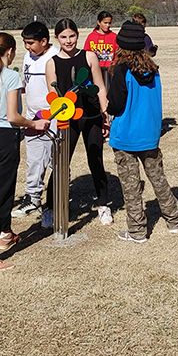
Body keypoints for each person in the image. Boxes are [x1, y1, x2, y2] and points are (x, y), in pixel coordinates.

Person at [0, 33, 49, 272]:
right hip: (6, 138)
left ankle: (5, 233)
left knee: (4, 187)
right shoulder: (12, 76)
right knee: (0, 194)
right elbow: (13, 116)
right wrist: (34, 124)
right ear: (11, 51)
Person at [107, 20, 178, 242]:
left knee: (131, 185)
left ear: (120, 44)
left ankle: (137, 230)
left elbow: (115, 104)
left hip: (125, 136)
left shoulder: (120, 70)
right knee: (158, 178)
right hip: (149, 135)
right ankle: (175, 219)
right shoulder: (154, 70)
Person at [44, 19, 112, 228]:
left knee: (96, 160)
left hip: (91, 117)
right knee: (61, 163)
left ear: (77, 35)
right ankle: (51, 207)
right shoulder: (52, 63)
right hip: (67, 120)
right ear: (57, 38)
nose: (68, 40)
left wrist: (105, 113)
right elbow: (53, 96)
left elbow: (100, 86)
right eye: (63, 37)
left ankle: (103, 204)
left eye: (71, 36)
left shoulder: (89, 56)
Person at [12, 21, 58, 218]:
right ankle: (32, 198)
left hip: (53, 117)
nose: (27, 47)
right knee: (33, 161)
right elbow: (27, 82)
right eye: (25, 42)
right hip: (32, 116)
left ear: (44, 41)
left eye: (31, 43)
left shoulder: (55, 56)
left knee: (55, 160)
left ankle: (56, 202)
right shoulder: (28, 57)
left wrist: (52, 115)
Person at [84, 11, 118, 88]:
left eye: (109, 23)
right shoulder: (91, 36)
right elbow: (86, 53)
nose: (108, 25)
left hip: (109, 71)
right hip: (95, 70)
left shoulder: (114, 36)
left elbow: (118, 53)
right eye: (105, 23)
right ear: (98, 22)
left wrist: (114, 64)